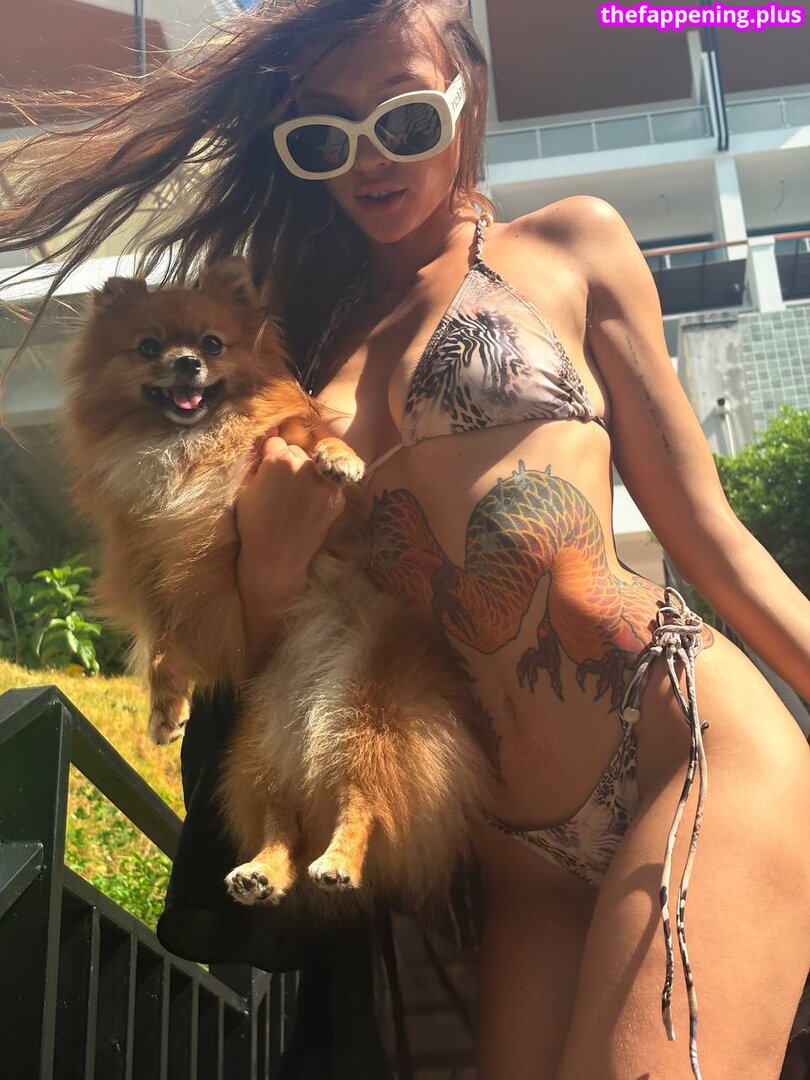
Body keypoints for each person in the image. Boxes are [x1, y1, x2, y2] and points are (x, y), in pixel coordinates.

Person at [1, 2, 809, 1076]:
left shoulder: (571, 243)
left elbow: (712, 538)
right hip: (515, 854)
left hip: (680, 737)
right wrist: (271, 560)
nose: (369, 158)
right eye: (325, 135)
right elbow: (268, 649)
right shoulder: (295, 343)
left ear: (466, 99)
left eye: (405, 119)